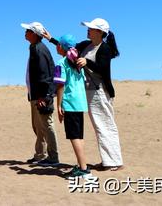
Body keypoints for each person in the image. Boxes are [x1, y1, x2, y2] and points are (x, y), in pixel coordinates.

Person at [44, 18, 123, 171]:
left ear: (99, 32)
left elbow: (103, 69)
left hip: (99, 92)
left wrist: (88, 62)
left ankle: (113, 162)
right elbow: (69, 50)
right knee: (99, 126)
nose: (88, 30)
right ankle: (109, 160)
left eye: (91, 28)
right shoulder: (86, 45)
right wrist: (51, 39)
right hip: (88, 92)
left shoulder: (104, 48)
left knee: (104, 125)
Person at [51, 33, 93, 179]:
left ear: (61, 47)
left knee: (74, 136)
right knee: (79, 136)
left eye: (58, 44)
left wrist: (59, 105)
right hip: (80, 103)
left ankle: (84, 169)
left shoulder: (61, 63)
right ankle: (82, 166)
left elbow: (60, 85)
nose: (56, 46)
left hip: (70, 103)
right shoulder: (77, 63)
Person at [21, 22, 59, 166]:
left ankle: (53, 157)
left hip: (42, 95)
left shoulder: (39, 49)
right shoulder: (35, 48)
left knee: (46, 125)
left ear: (35, 34)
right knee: (38, 126)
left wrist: (45, 96)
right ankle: (40, 154)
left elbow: (45, 75)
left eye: (28, 30)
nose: (25, 32)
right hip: (36, 95)